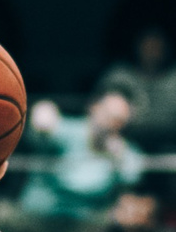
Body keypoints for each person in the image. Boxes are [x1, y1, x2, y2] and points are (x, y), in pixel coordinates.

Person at [17, 90, 143, 221]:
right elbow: (43, 134)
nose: (109, 122)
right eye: (107, 113)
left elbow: (131, 179)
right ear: (94, 107)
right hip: (40, 213)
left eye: (118, 119)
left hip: (88, 221)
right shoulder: (70, 130)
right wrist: (43, 121)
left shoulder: (124, 151)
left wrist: (119, 156)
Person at [91, 24, 176, 133]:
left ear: (167, 47)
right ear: (136, 46)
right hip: (128, 140)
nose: (152, 50)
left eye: (157, 44)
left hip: (174, 142)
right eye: (147, 44)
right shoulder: (118, 77)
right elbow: (99, 118)